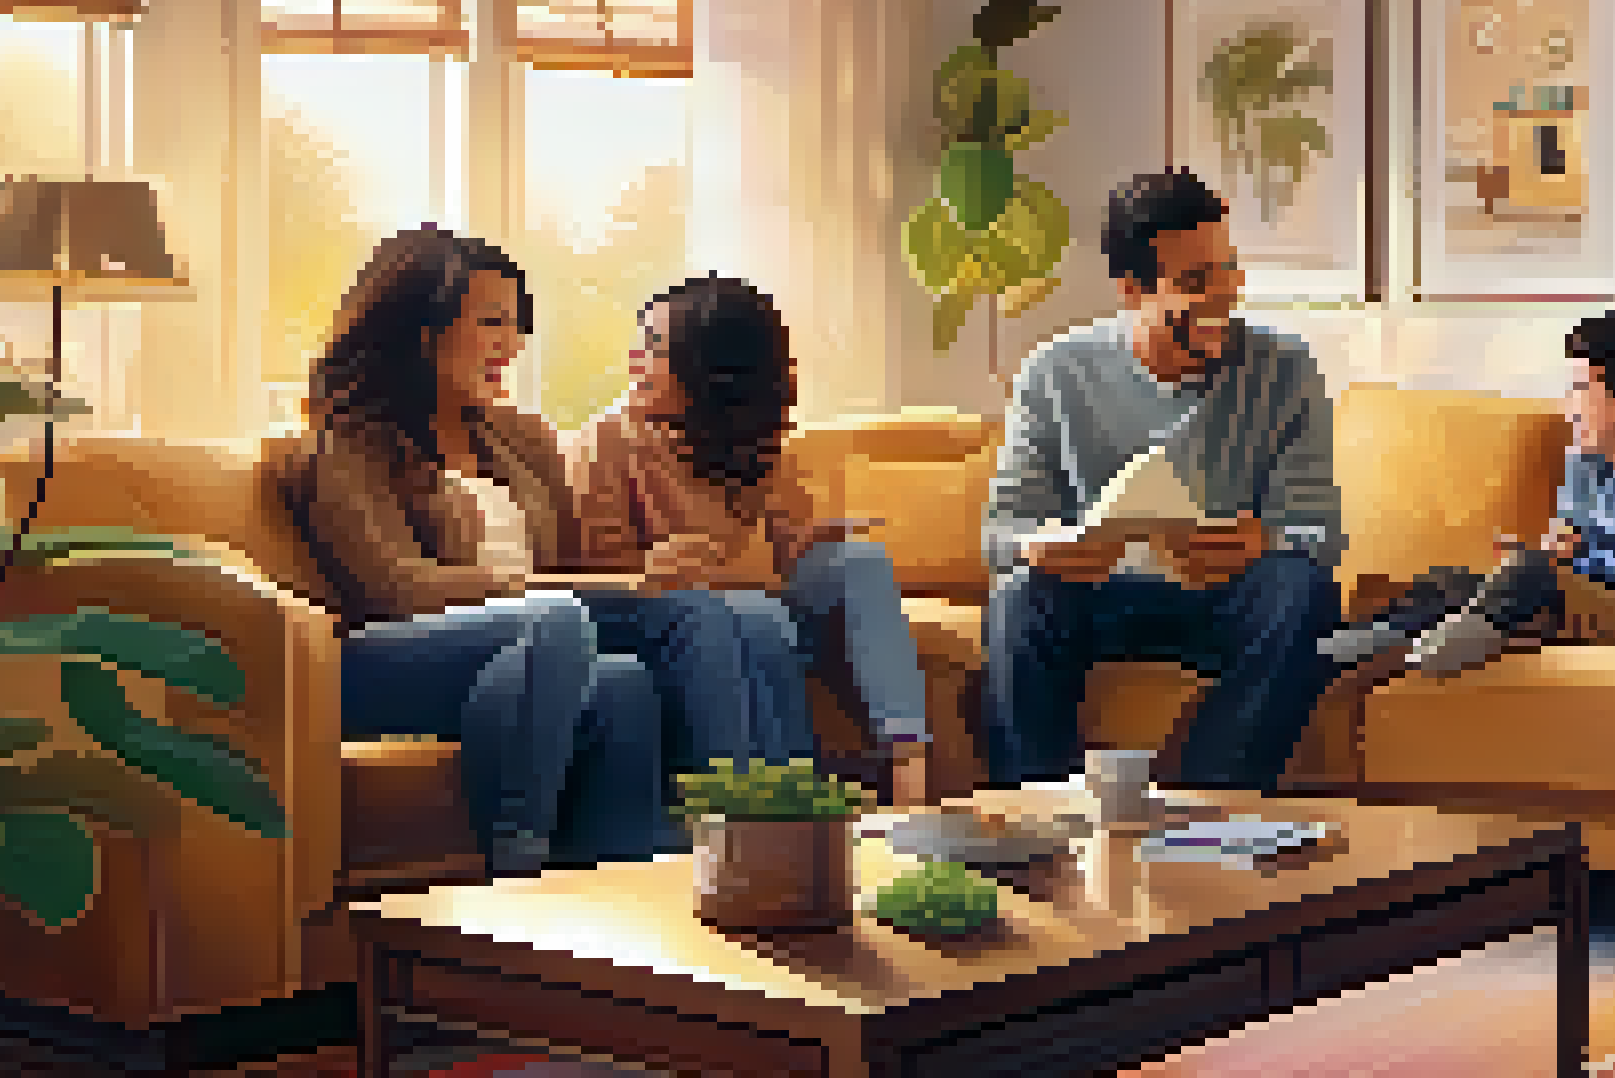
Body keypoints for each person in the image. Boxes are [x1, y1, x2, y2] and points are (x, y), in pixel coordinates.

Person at [284, 227, 805, 875]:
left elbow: (568, 567)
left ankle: (669, 872)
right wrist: (572, 588)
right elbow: (396, 589)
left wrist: (645, 577)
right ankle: (709, 848)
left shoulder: (519, 439)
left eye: (518, 324)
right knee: (566, 619)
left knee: (640, 669)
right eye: (493, 323)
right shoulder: (346, 442)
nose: (514, 344)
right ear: (423, 328)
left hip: (532, 643)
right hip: (388, 661)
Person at [982, 167, 1344, 792]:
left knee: (1300, 589)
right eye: (1196, 282)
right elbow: (1000, 533)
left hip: (1222, 597)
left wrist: (1266, 540)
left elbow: (1320, 530)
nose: (1224, 296)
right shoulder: (1055, 371)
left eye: (1229, 270)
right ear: (1132, 291)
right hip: (1098, 596)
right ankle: (1041, 816)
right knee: (1018, 598)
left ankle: (1206, 803)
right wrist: (1037, 544)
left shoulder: (1286, 369)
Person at [568, 272, 929, 799]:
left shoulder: (752, 442)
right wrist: (726, 572)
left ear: (710, 370)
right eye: (640, 342)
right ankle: (761, 812)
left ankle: (910, 772)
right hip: (676, 616)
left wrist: (807, 539)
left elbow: (782, 548)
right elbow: (608, 574)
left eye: (655, 346)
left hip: (757, 598)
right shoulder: (605, 443)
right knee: (757, 618)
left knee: (859, 560)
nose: (635, 361)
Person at [1321, 309, 1615, 673]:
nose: (1568, 406)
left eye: (1580, 389)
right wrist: (1556, 542)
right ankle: (1379, 635)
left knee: (1529, 572)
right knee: (1460, 580)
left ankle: (1452, 645)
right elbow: (1569, 535)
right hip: (1585, 598)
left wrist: (1575, 556)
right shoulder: (1592, 474)